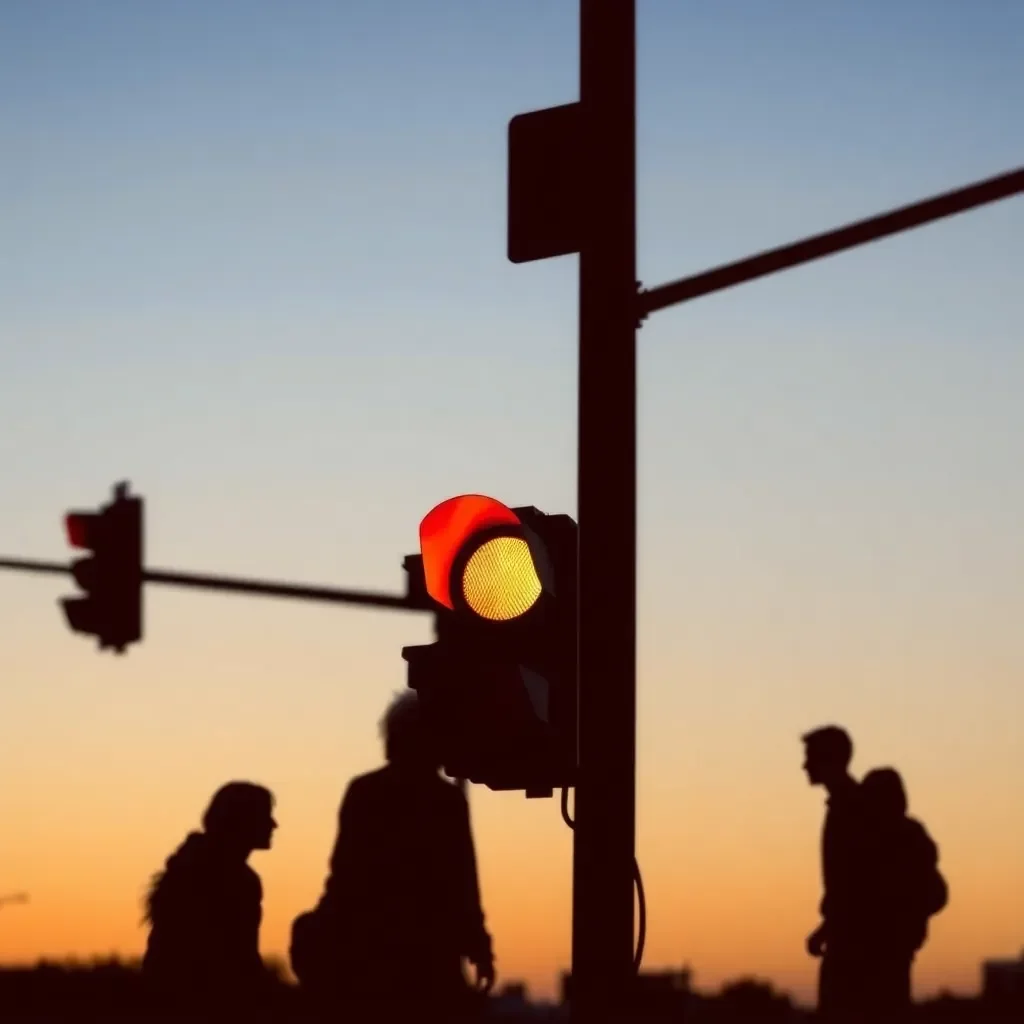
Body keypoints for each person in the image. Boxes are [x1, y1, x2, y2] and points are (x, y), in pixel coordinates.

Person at [304, 691, 495, 1022]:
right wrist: (479, 946)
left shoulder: (366, 792)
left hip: (372, 955)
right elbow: (463, 883)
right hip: (429, 958)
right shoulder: (445, 802)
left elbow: (344, 875)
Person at [142, 781, 278, 1020]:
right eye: (265, 815)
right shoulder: (232, 879)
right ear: (242, 820)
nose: (273, 824)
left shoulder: (195, 867)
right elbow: (235, 960)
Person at [857, 767, 948, 1019]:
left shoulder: (895, 838)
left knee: (886, 1006)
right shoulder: (903, 834)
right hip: (897, 942)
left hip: (889, 942)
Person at [801, 725, 868, 1021]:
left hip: (852, 947)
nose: (805, 765)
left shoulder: (849, 808)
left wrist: (829, 929)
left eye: (810, 757)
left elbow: (856, 884)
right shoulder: (845, 805)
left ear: (830, 759)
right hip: (847, 940)